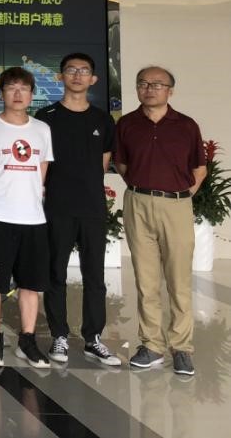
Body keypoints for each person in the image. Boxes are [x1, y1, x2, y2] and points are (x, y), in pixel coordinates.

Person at [115, 65, 207, 376]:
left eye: (157, 84)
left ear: (170, 90)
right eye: (143, 83)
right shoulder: (127, 124)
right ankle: (151, 346)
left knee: (179, 281)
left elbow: (199, 169)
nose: (149, 88)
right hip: (138, 203)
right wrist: (144, 189)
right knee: (146, 281)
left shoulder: (186, 125)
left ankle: (181, 348)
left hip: (177, 205)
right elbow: (123, 165)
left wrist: (181, 195)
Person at [37, 53, 122, 367]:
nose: (77, 75)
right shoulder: (45, 116)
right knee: (55, 273)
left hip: (91, 207)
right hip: (57, 205)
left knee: (94, 275)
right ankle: (59, 335)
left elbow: (102, 162)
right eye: (70, 70)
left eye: (83, 70)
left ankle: (93, 338)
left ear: (93, 79)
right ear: (60, 77)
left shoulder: (102, 119)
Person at [0, 67, 53, 369]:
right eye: (11, 88)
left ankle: (27, 339)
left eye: (24, 88)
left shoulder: (42, 130)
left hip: (33, 218)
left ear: (32, 94)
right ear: (1, 93)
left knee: (31, 284)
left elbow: (42, 168)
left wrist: (31, 195)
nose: (18, 93)